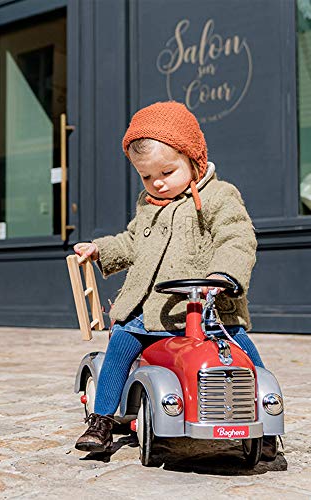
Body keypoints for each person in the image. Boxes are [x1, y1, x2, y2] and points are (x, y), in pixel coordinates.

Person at [73, 101, 265, 453]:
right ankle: (101, 420)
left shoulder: (219, 197)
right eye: (147, 176)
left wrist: (222, 276)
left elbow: (236, 238)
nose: (157, 183)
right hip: (149, 311)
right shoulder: (148, 206)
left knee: (243, 354)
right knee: (120, 345)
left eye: (167, 171)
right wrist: (100, 250)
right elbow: (132, 242)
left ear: (193, 158)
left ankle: (264, 423)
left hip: (206, 311)